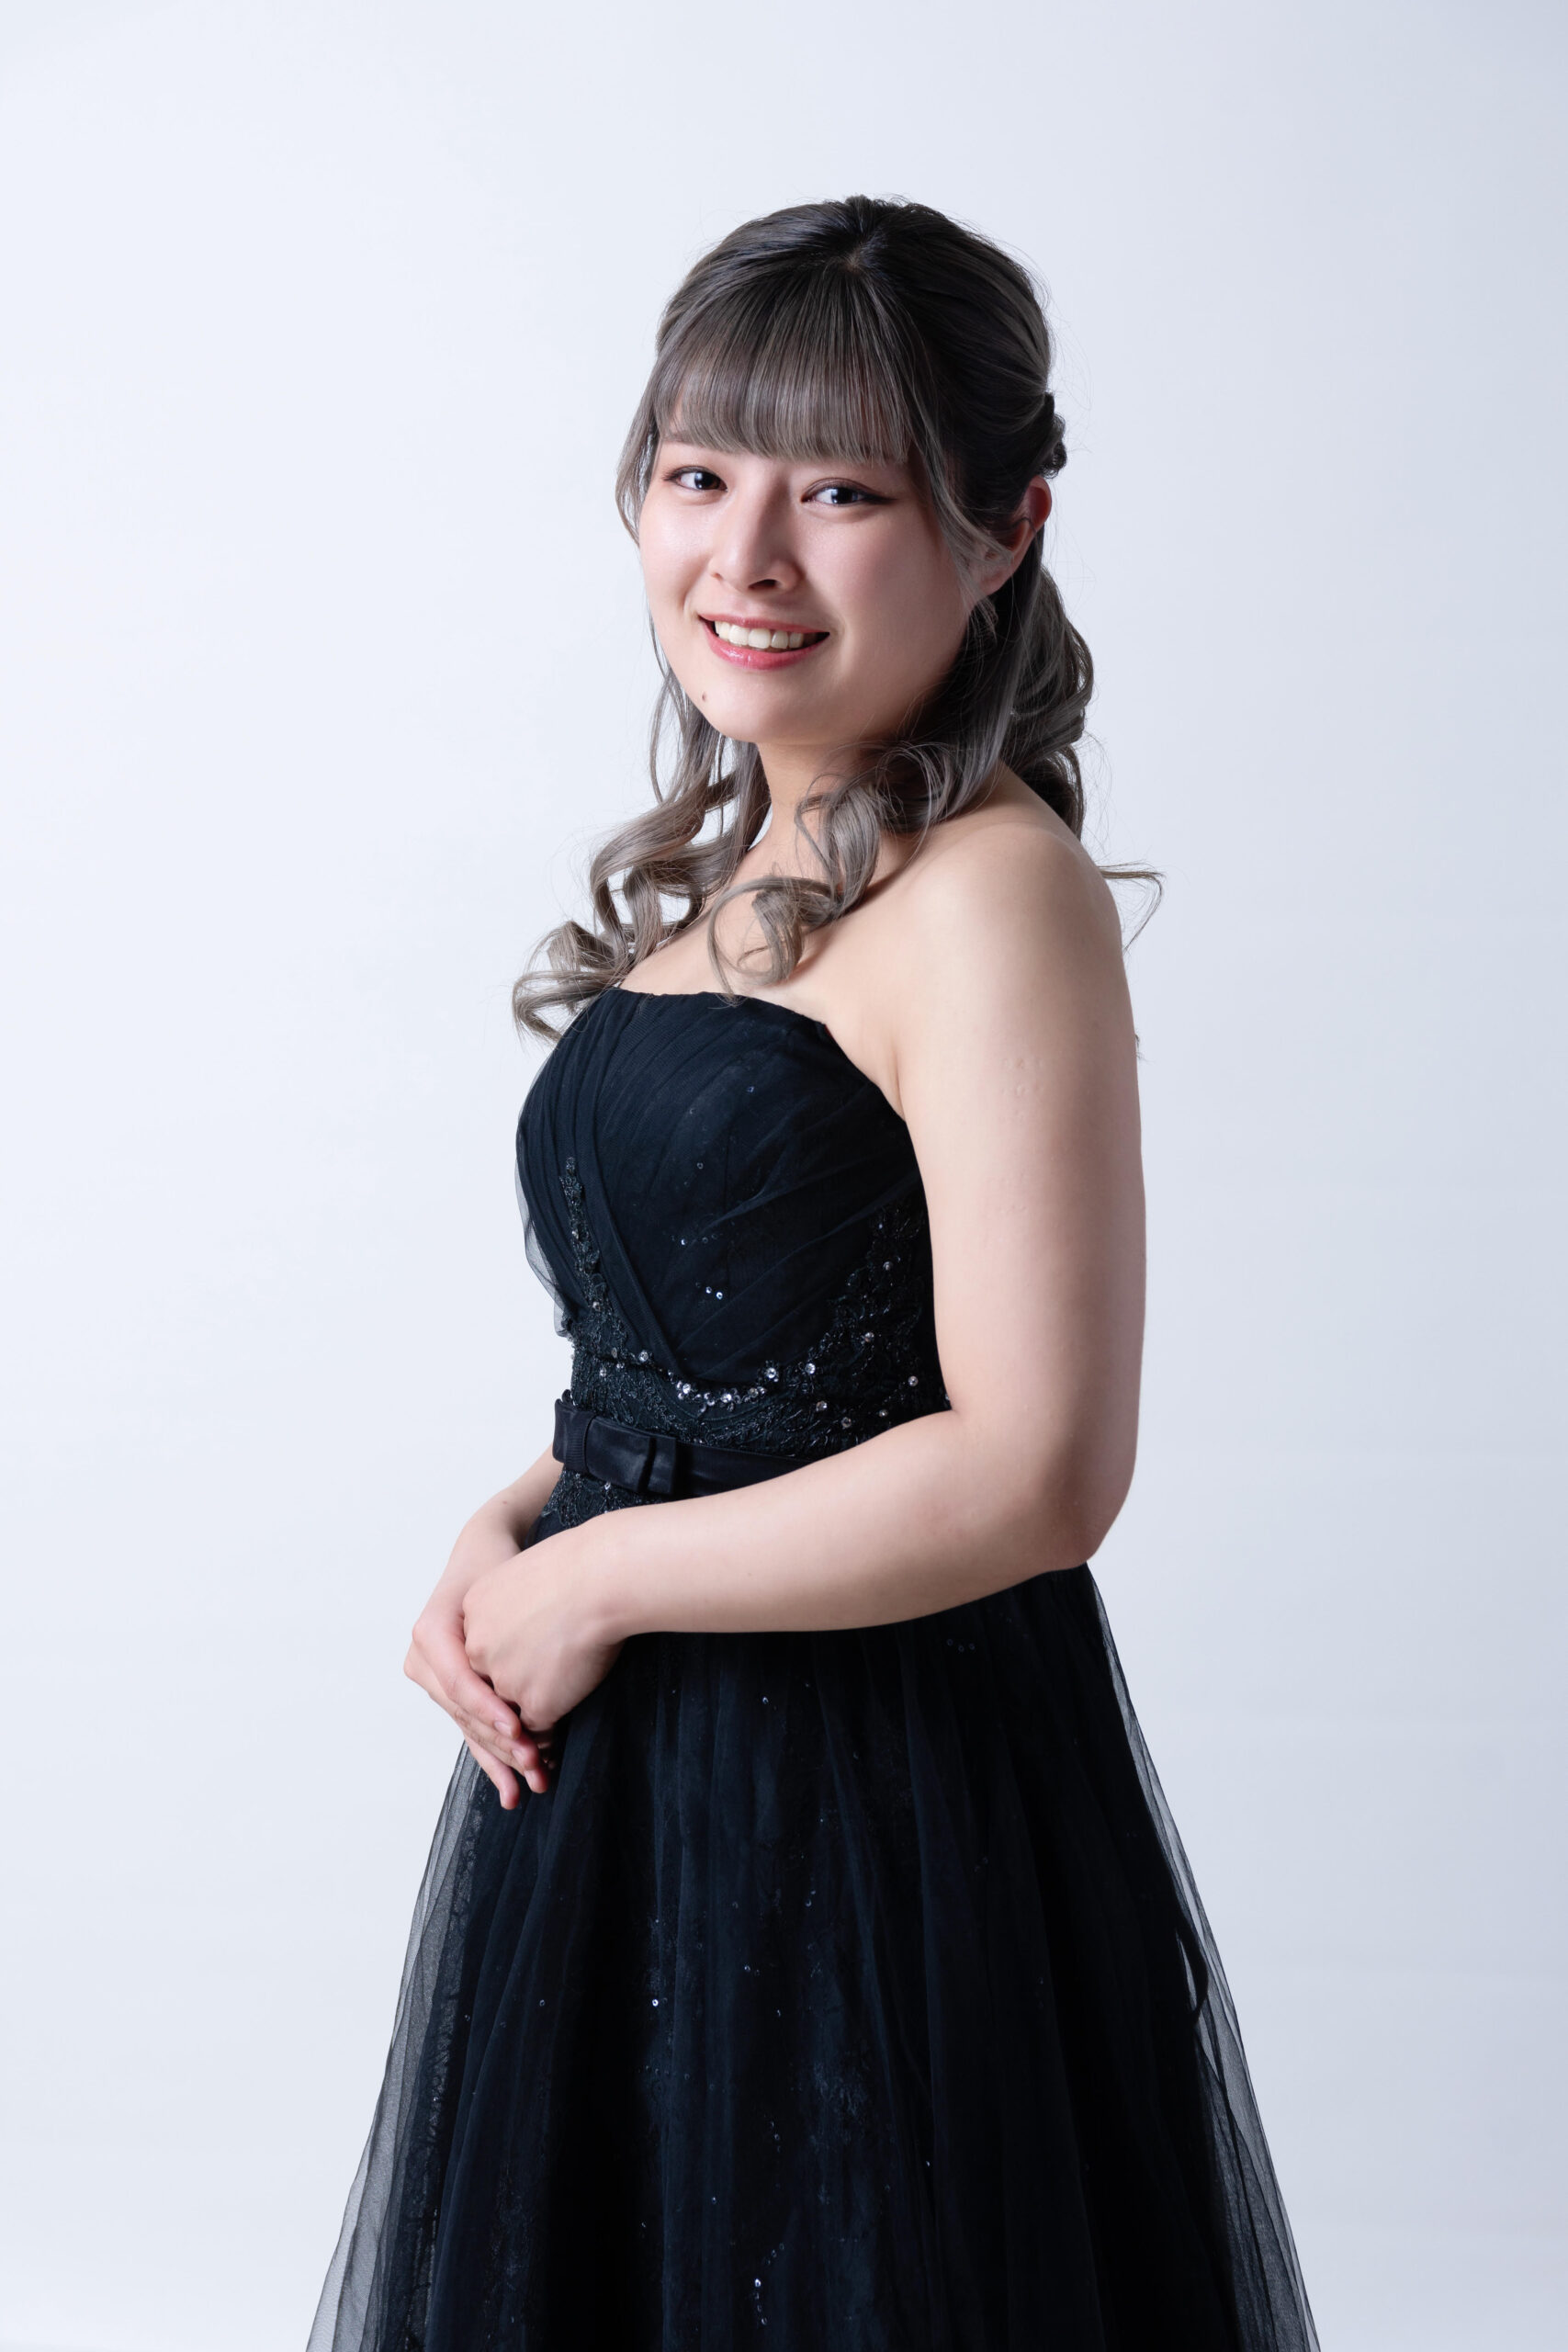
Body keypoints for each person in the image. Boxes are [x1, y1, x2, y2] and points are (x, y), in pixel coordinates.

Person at [309, 196, 1319, 2352]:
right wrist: (512, 1527)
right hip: (625, 1790)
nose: (744, 557)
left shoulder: (988, 892)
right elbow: (729, 1359)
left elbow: (1036, 1467)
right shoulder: (740, 868)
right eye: (699, 475)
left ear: (1001, 527)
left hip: (861, 1797)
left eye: (838, 490)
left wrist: (595, 1575)